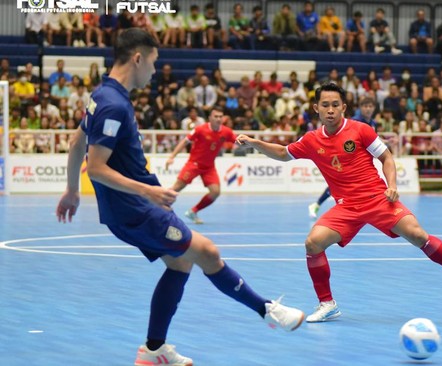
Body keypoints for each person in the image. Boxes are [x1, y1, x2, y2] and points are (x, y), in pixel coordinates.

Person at [55, 28, 304, 366]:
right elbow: (96, 168)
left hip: (128, 208)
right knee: (207, 252)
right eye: (154, 63)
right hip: (136, 208)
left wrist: (71, 190)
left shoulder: (101, 95)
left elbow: (75, 144)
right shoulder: (113, 104)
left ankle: (154, 351)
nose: (155, 71)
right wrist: (150, 191)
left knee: (181, 262)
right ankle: (267, 311)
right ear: (138, 58)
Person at [237, 83, 442, 323]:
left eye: (335, 104)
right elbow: (283, 153)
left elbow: (387, 157)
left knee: (417, 235)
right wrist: (255, 143)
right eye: (325, 104)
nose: (330, 109)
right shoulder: (312, 140)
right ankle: (327, 304)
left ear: (343, 107)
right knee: (313, 243)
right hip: (346, 207)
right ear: (316, 108)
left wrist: (392, 185)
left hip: (377, 198)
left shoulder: (361, 130)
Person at [308, 96, 377, 218]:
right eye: (365, 106)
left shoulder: (373, 123)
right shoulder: (356, 122)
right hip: (344, 157)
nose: (368, 109)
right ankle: (318, 204)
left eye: (370, 107)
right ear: (360, 108)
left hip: (360, 160)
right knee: (339, 185)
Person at [165, 107, 234, 224]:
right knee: (175, 189)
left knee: (215, 192)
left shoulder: (226, 132)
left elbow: (237, 141)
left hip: (209, 167)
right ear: (210, 118)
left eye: (220, 117)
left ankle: (193, 211)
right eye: (215, 116)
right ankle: (155, 208)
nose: (218, 119)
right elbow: (184, 141)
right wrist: (172, 157)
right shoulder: (200, 129)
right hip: (194, 164)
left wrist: (255, 145)